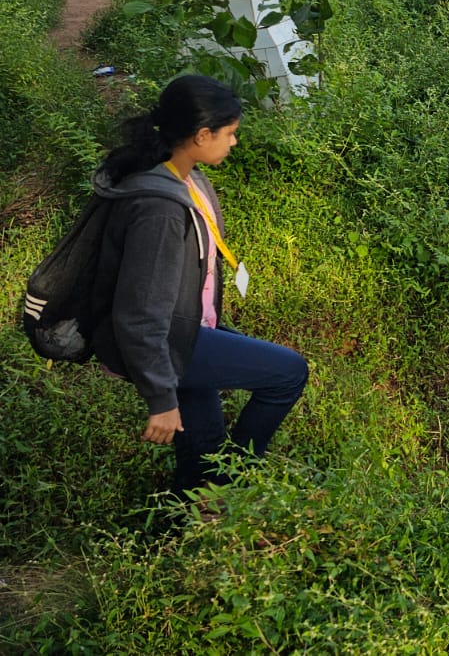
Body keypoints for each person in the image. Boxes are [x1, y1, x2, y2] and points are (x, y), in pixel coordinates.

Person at [89, 74, 308, 494]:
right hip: (172, 340)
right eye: (230, 133)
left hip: (189, 327)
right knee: (288, 372)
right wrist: (162, 399)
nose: (234, 142)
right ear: (202, 135)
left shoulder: (186, 178)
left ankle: (197, 510)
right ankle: (233, 483)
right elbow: (141, 313)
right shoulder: (159, 208)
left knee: (202, 453)